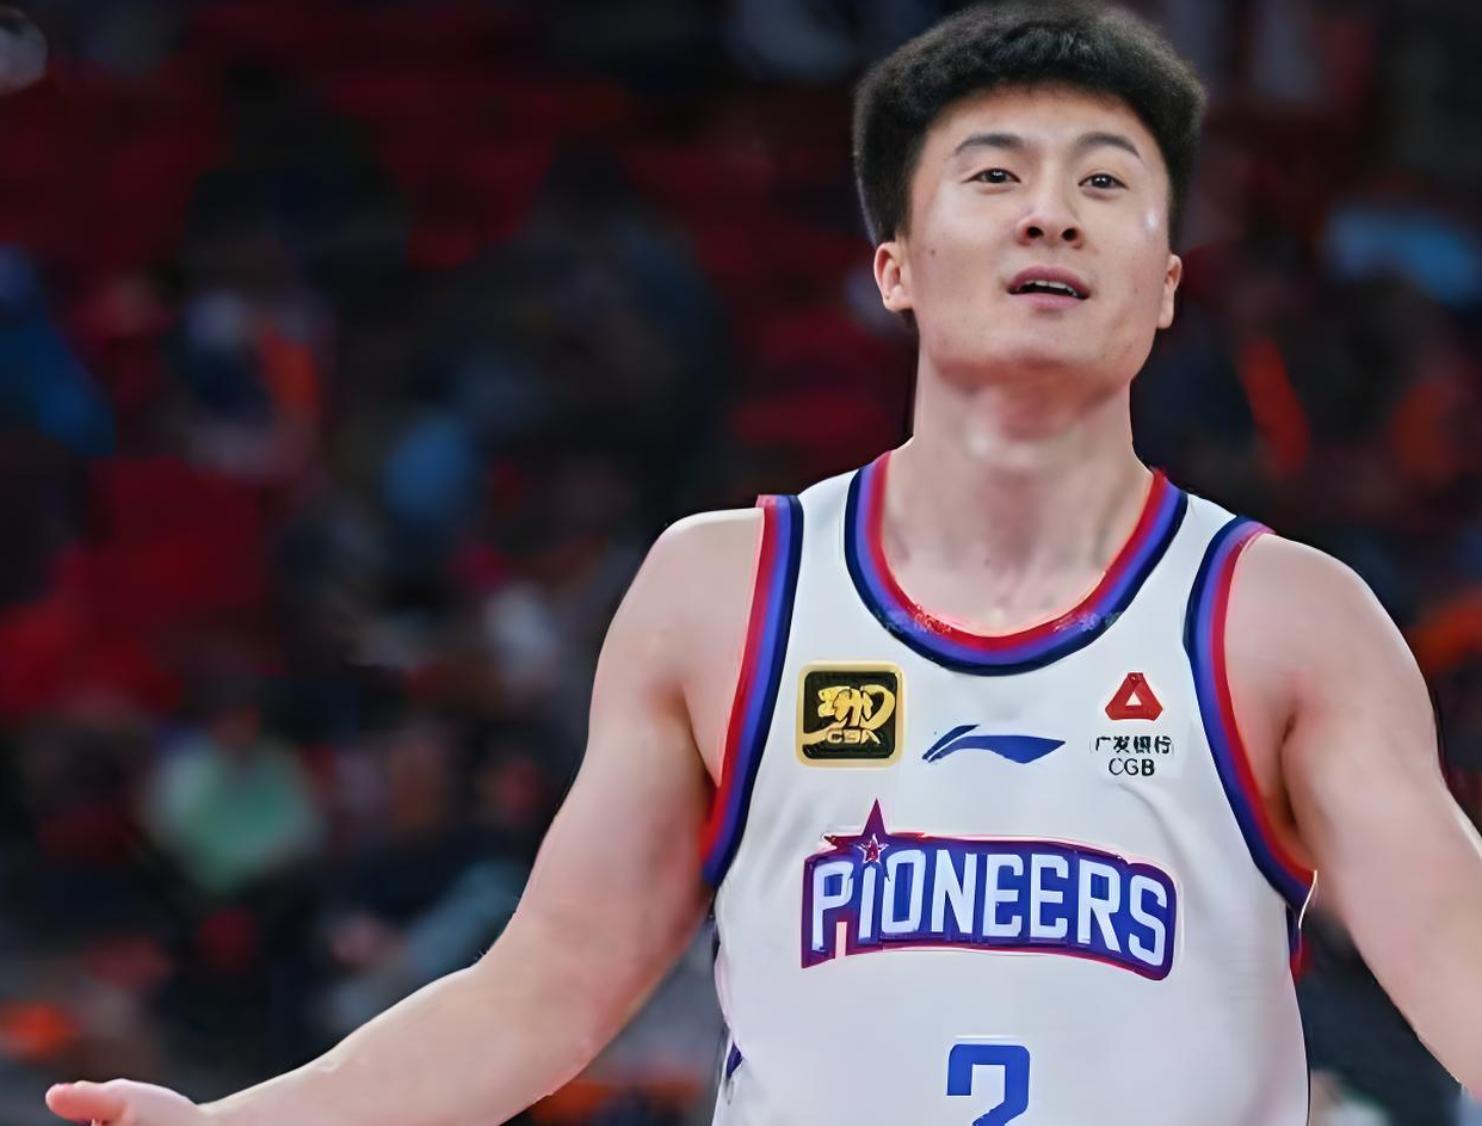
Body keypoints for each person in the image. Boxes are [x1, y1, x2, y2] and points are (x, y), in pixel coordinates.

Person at [45, 3, 1482, 1124]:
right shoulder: (725, 594)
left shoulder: (1283, 619)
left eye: (1105, 184)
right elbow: (541, 991)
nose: (1050, 213)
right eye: (994, 175)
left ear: (1164, 288)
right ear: (895, 265)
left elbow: (1455, 950)